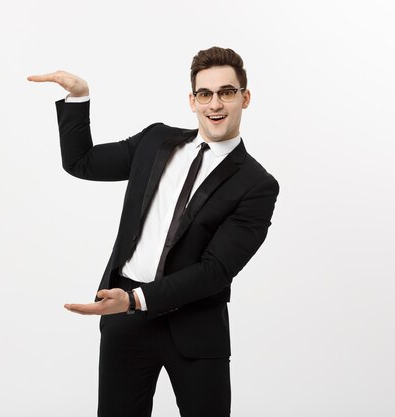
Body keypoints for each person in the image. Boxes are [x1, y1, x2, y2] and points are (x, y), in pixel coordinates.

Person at [28, 46, 279, 417]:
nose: (216, 105)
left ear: (245, 97)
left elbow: (215, 271)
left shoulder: (257, 184)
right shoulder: (156, 141)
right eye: (205, 94)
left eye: (227, 92)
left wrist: (134, 300)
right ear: (192, 101)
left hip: (195, 328)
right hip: (124, 319)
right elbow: (82, 162)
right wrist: (79, 97)